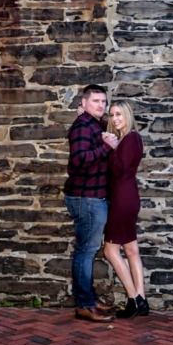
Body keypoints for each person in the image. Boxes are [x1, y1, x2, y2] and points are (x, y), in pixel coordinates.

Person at [64, 84, 118, 322]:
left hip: (93, 197)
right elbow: (78, 161)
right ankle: (84, 305)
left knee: (88, 250)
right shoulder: (82, 126)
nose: (100, 105)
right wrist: (106, 147)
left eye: (103, 101)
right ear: (83, 103)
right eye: (95, 101)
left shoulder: (93, 124)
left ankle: (89, 299)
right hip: (86, 198)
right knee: (85, 251)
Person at [101, 100, 149, 318]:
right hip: (129, 198)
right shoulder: (129, 139)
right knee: (131, 250)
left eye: (119, 114)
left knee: (110, 250)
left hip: (122, 199)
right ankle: (143, 301)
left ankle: (134, 299)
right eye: (111, 115)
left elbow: (120, 172)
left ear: (128, 116)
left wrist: (111, 148)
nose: (115, 119)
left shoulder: (129, 138)